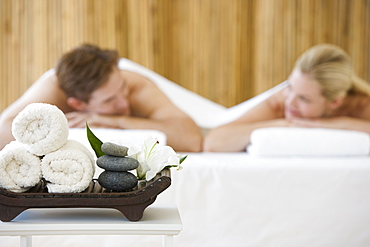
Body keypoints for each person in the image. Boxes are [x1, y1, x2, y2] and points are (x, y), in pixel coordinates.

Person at [0, 44, 202, 152]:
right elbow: (5, 129)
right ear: (77, 105)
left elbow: (193, 140)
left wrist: (116, 120)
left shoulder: (136, 87)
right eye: (109, 101)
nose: (124, 102)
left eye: (122, 88)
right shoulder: (53, 89)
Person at [203, 44, 370, 152]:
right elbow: (213, 142)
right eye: (289, 86)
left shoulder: (361, 105)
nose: (290, 101)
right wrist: (283, 124)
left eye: (304, 99)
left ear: (335, 102)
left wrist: (321, 125)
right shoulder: (280, 103)